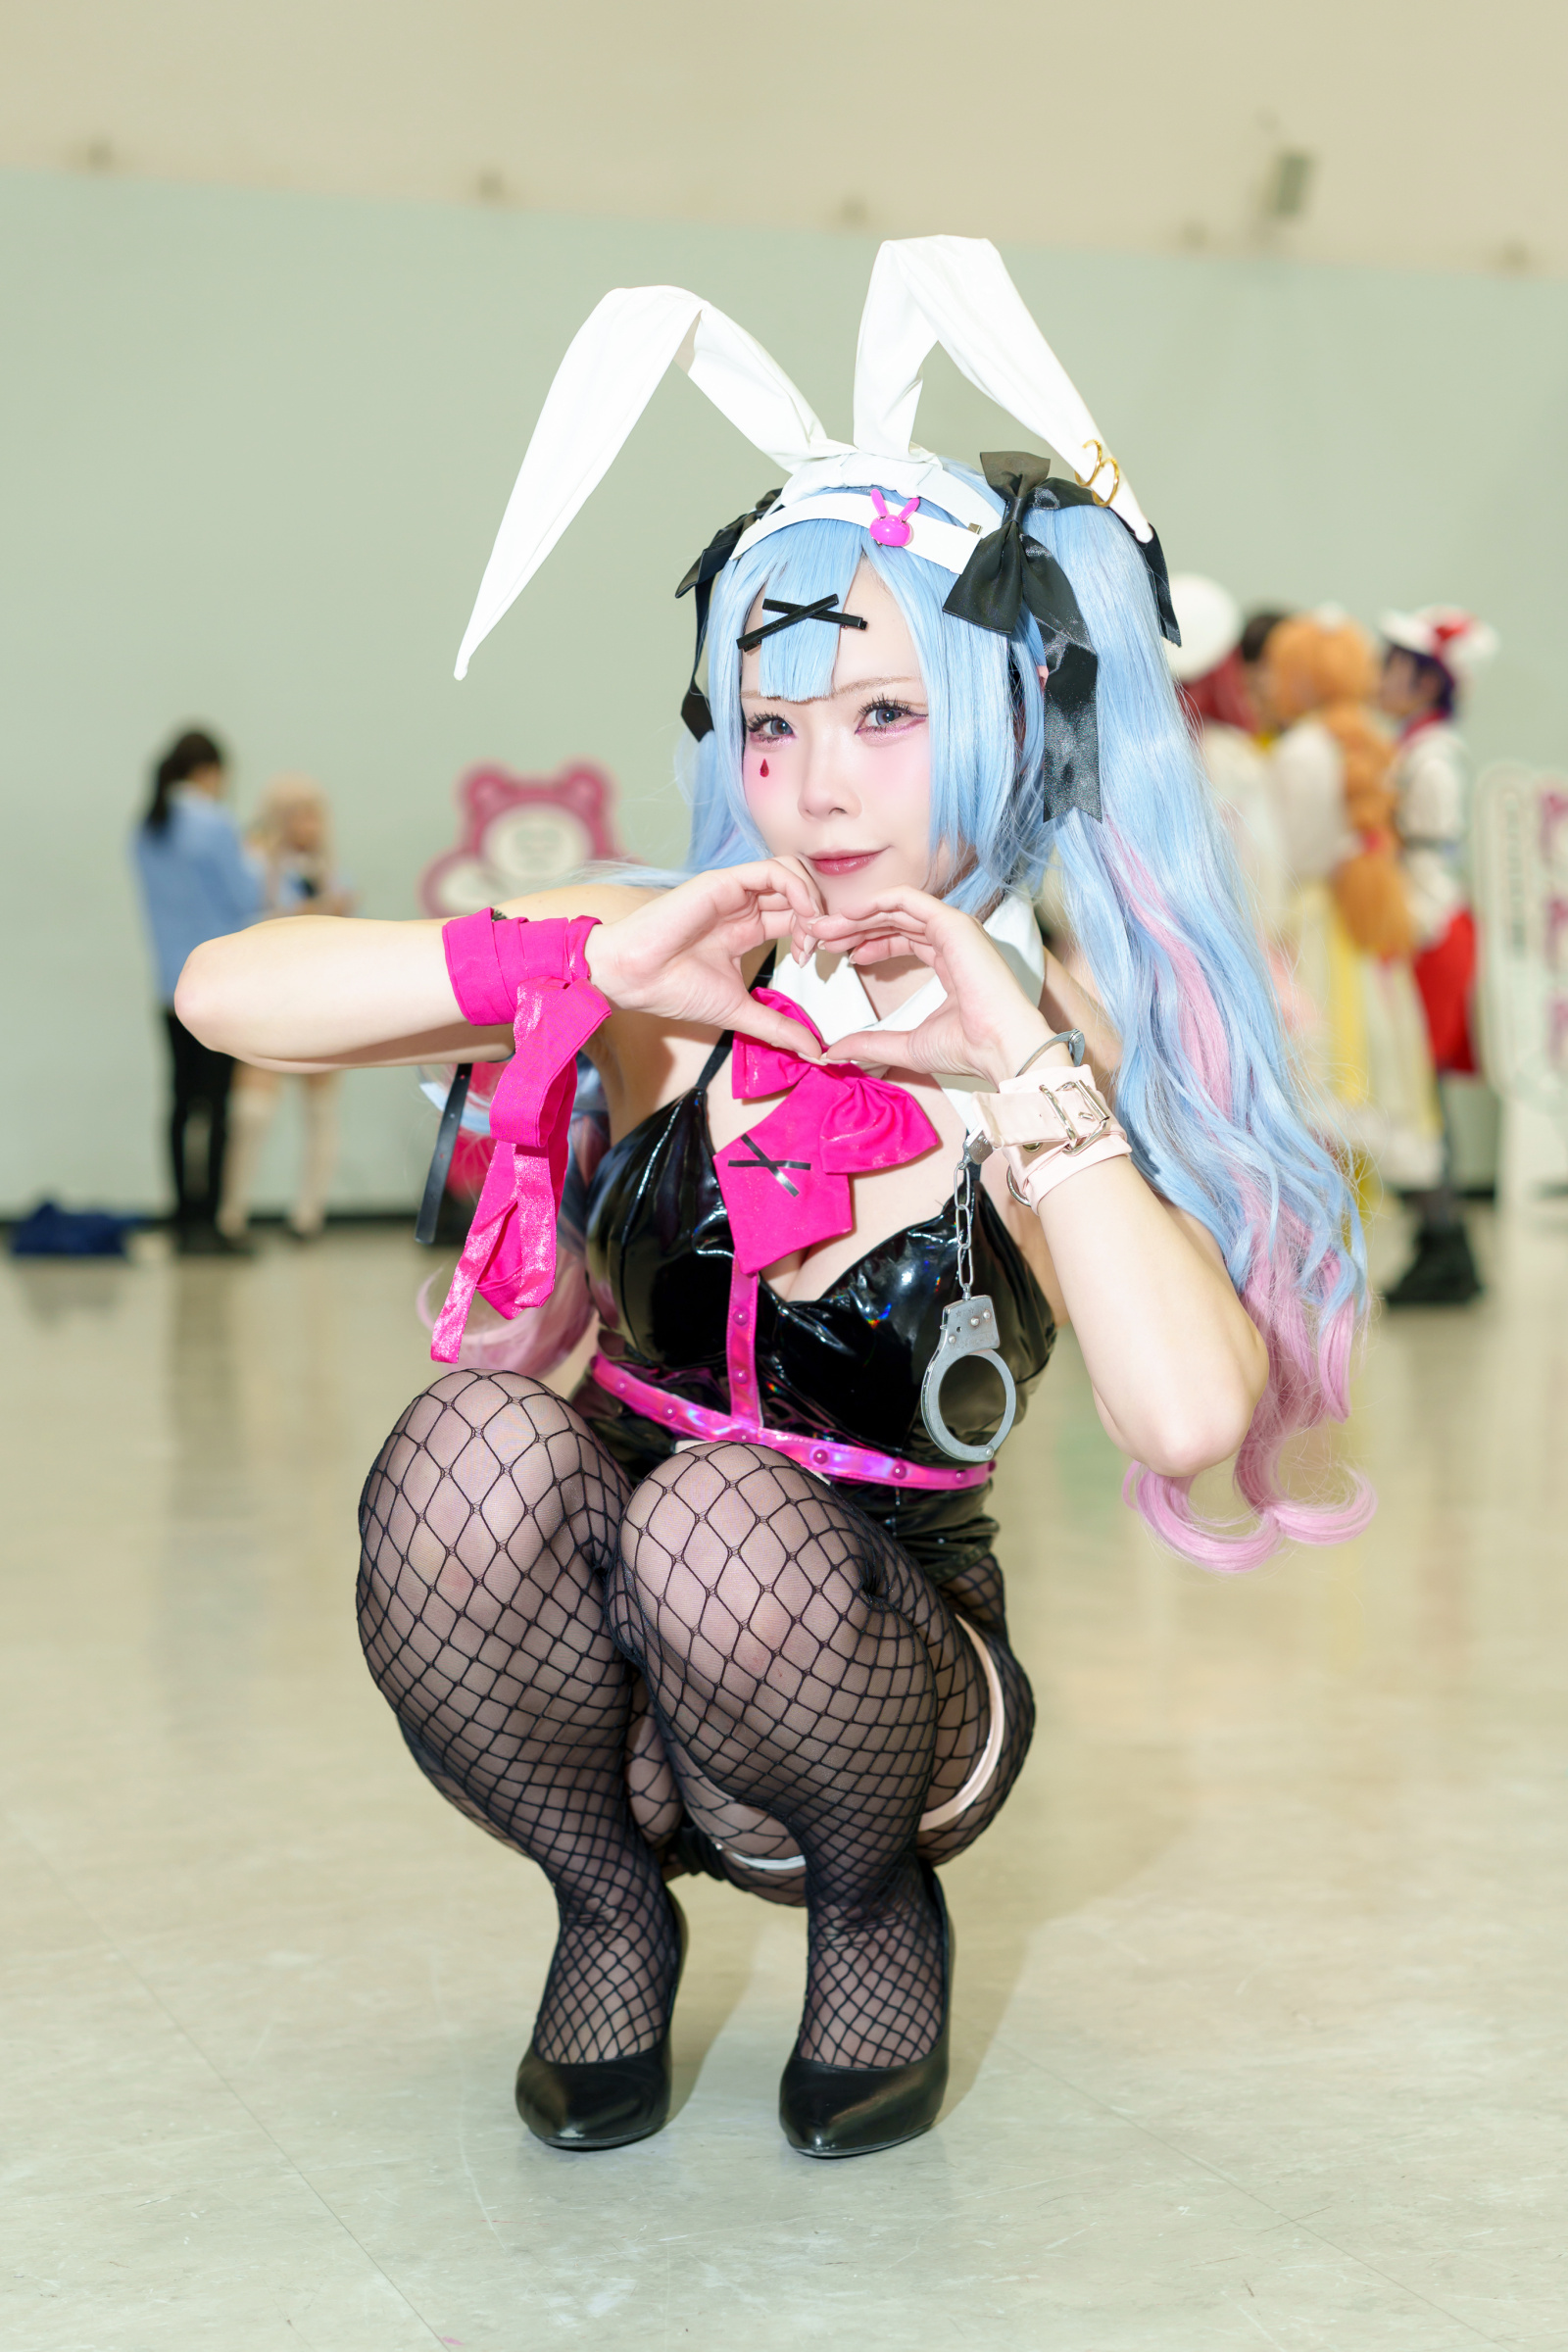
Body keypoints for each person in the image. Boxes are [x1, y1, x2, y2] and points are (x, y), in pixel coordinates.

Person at [177, 240, 1371, 2163]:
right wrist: (570, 968)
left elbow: (1178, 1416)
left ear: (1007, 714)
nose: (812, 789)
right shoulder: (670, 950)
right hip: (604, 1667)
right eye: (772, 724)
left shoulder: (1046, 1035)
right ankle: (605, 1907)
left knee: (723, 1513)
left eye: (882, 717)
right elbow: (223, 996)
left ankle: (872, 1917)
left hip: (876, 1679)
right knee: (469, 1449)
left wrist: (1016, 1066)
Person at [1261, 612, 1446, 1222]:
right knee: (1364, 1077)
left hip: (1313, 928)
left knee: (1320, 1085)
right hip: (1359, 928)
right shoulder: (1372, 740)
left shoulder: (1299, 752)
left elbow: (1286, 859)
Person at [1376, 608, 1498, 1305]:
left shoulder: (1432, 756)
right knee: (1419, 1089)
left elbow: (1430, 857)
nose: (1380, 677)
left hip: (1426, 931)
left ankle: (1446, 1242)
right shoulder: (1416, 746)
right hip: (1421, 925)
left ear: (1427, 682)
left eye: (1393, 666)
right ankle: (1438, 1235)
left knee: (1422, 1087)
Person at [130, 728, 262, 1254]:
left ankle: (182, 1218)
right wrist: (259, 858)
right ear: (210, 772)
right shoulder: (214, 822)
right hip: (218, 985)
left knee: (180, 1101)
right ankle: (212, 1223)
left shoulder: (146, 827)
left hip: (169, 984)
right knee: (218, 1104)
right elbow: (245, 896)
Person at [219, 775, 357, 1245]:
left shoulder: (330, 871)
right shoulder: (252, 865)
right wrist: (302, 913)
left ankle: (308, 1216)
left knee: (320, 1110)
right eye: (297, 814)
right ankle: (231, 1215)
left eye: (314, 814)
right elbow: (241, 923)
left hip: (320, 998)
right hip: (267, 998)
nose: (307, 825)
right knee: (252, 1111)